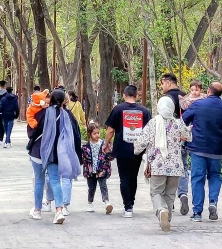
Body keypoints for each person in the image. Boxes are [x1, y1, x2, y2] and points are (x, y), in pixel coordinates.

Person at [134, 96, 192, 232]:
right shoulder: (178, 123)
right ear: (172, 108)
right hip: (176, 167)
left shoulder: (153, 123)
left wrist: (136, 150)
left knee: (156, 192)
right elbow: (189, 136)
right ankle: (167, 219)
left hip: (157, 165)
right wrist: (186, 131)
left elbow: (141, 142)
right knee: (170, 194)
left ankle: (161, 211)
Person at [27, 89, 82, 224]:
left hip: (38, 152)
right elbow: (76, 134)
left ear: (51, 99)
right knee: (55, 181)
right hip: (56, 153)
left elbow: (31, 132)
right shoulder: (67, 116)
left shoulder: (41, 113)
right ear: (63, 100)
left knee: (39, 181)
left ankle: (38, 211)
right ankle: (58, 211)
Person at [183, 81, 222, 222]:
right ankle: (213, 203)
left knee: (197, 179)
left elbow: (184, 119)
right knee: (215, 176)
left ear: (209, 91)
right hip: (217, 149)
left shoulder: (198, 104)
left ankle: (197, 212)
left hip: (198, 147)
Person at [104, 85, 151, 218]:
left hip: (122, 149)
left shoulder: (118, 109)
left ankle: (127, 207)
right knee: (133, 177)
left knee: (124, 178)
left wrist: (106, 144)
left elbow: (110, 130)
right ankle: (131, 203)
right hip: (138, 150)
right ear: (137, 96)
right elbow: (149, 131)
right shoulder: (144, 111)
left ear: (124, 95)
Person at [159, 74, 192, 216]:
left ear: (167, 83)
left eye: (162, 84)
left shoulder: (166, 99)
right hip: (183, 136)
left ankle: (168, 202)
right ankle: (183, 194)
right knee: (183, 166)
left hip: (168, 140)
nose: (161, 87)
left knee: (167, 168)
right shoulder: (186, 97)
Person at [81, 122, 113, 214]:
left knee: (103, 186)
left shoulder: (104, 144)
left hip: (101, 170)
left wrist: (108, 151)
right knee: (91, 188)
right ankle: (90, 203)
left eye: (98, 133)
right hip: (91, 171)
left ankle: (107, 202)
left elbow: (110, 157)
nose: (97, 135)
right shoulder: (86, 147)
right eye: (94, 133)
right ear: (90, 134)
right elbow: (83, 159)